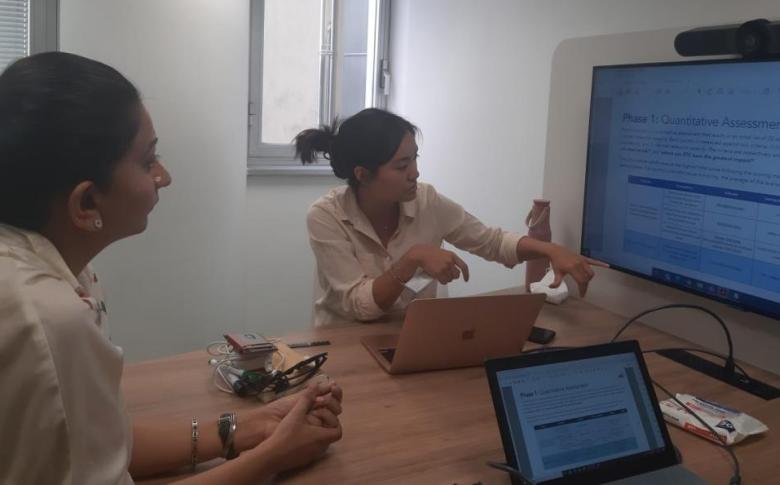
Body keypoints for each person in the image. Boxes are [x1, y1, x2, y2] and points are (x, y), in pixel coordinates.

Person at [0, 52, 342, 484]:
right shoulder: (44, 317)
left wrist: (244, 429)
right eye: (147, 162)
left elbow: (102, 443)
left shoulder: (62, 272)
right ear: (86, 203)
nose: (164, 176)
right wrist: (271, 458)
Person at [295, 108, 607, 326]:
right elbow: (359, 305)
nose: (415, 173)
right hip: (345, 349)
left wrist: (552, 251)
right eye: (401, 166)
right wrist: (412, 259)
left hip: (414, 341)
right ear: (363, 175)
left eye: (414, 159)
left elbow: (491, 242)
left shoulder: (426, 201)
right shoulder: (326, 217)